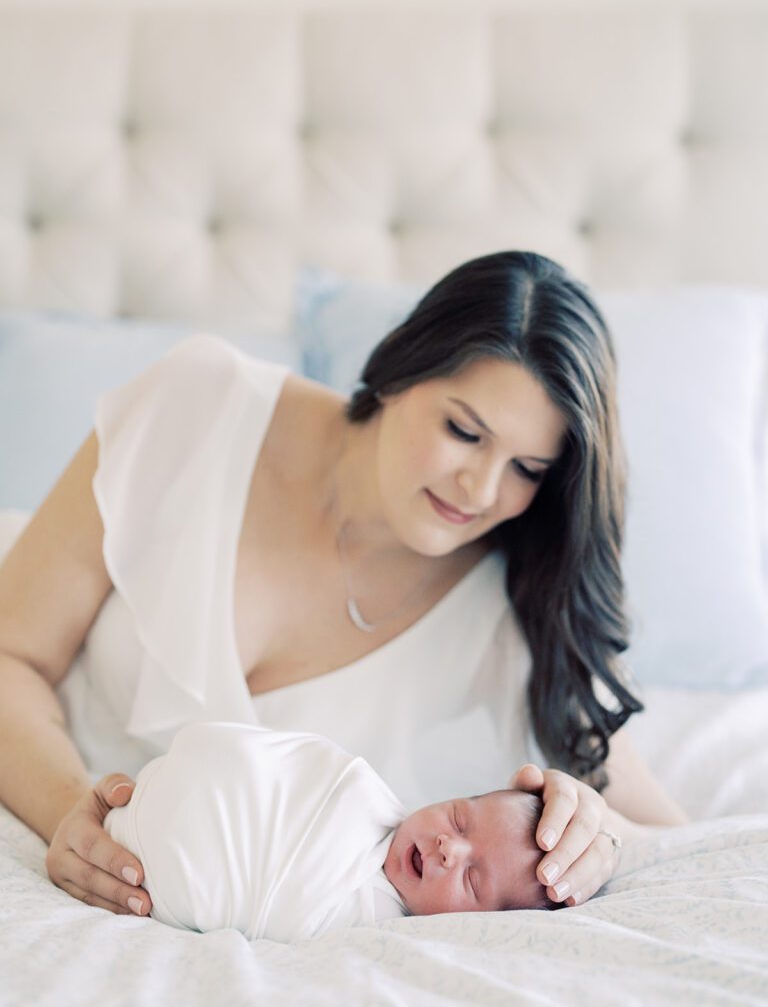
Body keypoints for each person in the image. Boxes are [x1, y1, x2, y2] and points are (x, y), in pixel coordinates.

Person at [0, 250, 689, 924]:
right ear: (400, 367)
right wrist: (70, 811)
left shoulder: (517, 603)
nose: (480, 490)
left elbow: (664, 829)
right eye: (463, 431)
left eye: (528, 469)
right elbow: (12, 655)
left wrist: (596, 834)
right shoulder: (197, 404)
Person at [104, 721, 558, 942]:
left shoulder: (379, 927)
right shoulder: (363, 797)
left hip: (167, 867)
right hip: (174, 785)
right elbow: (295, 769)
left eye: (471, 879)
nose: (448, 847)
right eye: (459, 818)